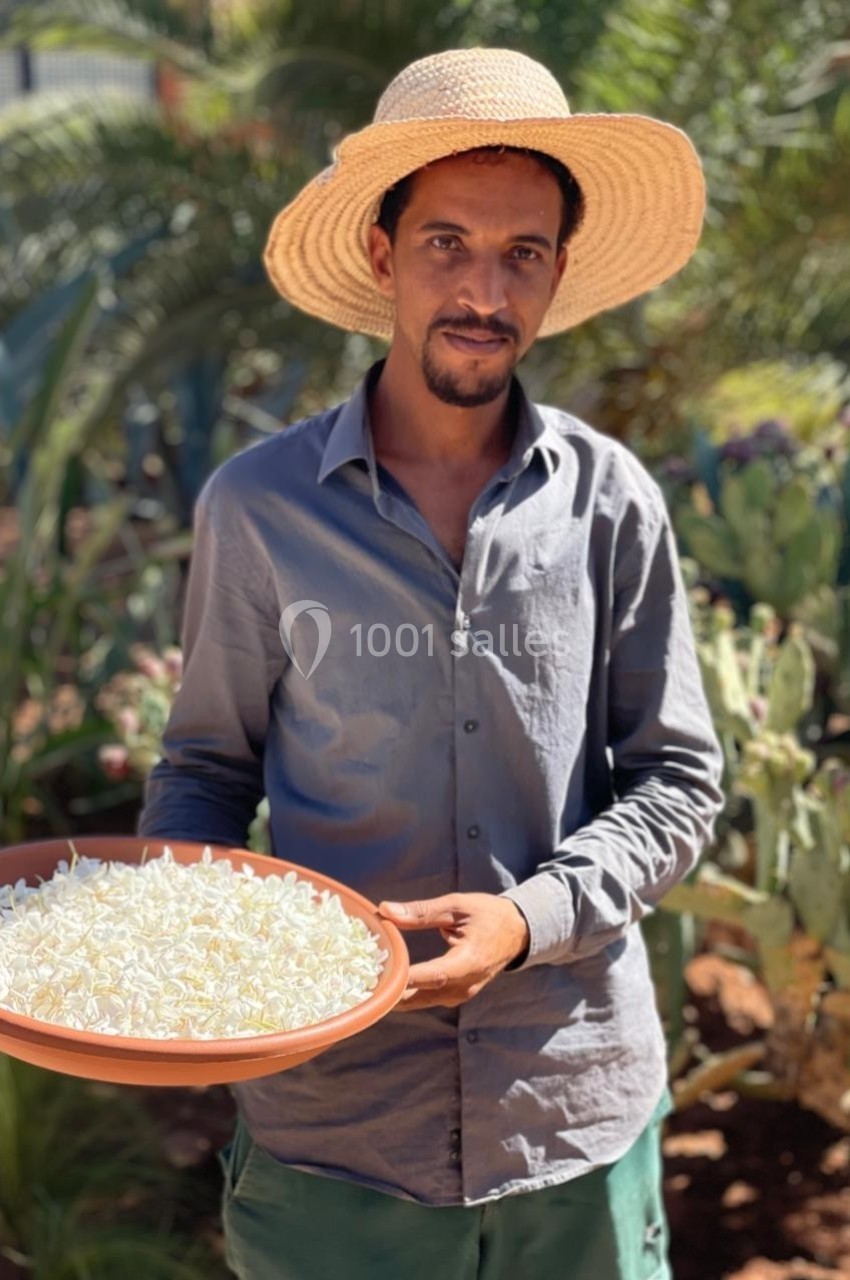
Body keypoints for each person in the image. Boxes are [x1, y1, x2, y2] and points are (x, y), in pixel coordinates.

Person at [138, 46, 724, 1280]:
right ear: (380, 254)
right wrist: (182, 935)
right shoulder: (259, 508)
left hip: (573, 1123)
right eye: (446, 242)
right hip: (330, 1136)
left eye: (522, 253)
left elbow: (676, 780)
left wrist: (526, 918)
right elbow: (202, 765)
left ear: (559, 273)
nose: (482, 289)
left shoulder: (612, 503)